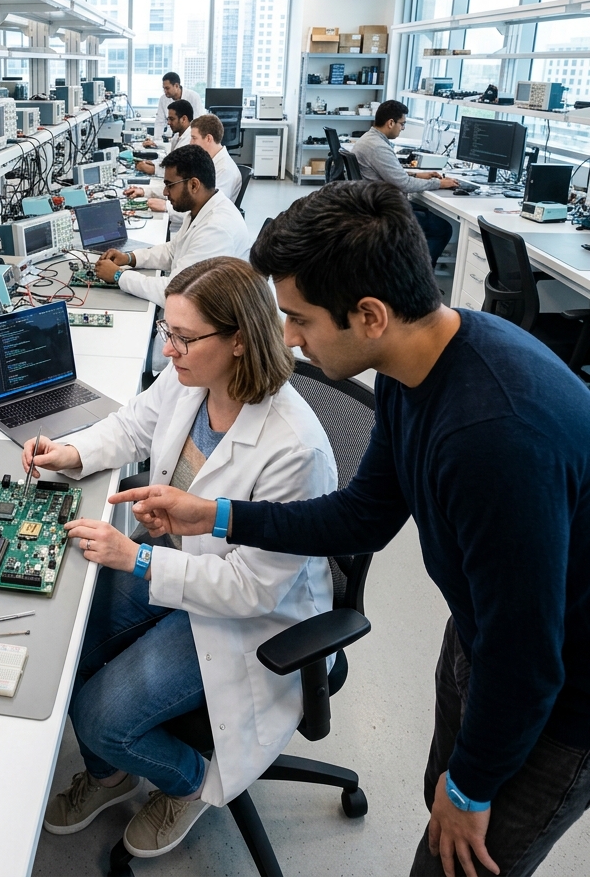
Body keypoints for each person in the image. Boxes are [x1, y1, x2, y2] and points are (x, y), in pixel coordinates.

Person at [112, 181, 590, 877]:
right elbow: (361, 514)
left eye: (300, 319)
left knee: (457, 858)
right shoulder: (415, 362)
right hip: (484, 633)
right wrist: (215, 513)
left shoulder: (495, 438)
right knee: (442, 810)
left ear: (368, 314)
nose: (289, 340)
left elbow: (528, 658)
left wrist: (472, 786)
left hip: (559, 692)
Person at [33, 256, 337, 859]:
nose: (167, 350)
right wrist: (67, 452)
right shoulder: (190, 377)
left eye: (183, 337)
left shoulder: (292, 448)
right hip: (181, 565)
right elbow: (131, 430)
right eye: (166, 333)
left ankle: (192, 783)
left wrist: (137, 560)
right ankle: (110, 774)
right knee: (66, 652)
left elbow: (253, 590)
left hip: (244, 618)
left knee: (99, 718)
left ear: (241, 341)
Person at [94, 144, 251, 307]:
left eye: (170, 185)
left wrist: (119, 276)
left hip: (212, 318)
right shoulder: (201, 209)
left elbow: (176, 292)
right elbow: (173, 250)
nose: (165, 193)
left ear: (194, 185)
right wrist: (130, 258)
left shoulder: (216, 229)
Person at [351, 99, 455, 267]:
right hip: (383, 210)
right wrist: (439, 184)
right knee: (442, 228)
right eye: (402, 124)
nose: (403, 128)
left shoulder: (371, 139)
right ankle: (418, 274)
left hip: (374, 202)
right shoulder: (377, 147)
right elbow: (404, 184)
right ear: (390, 123)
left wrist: (419, 175)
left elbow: (389, 173)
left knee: (427, 211)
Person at [188, 113, 242, 203]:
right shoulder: (208, 161)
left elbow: (208, 205)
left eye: (194, 138)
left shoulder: (224, 170)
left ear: (208, 138)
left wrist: (167, 207)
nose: (190, 143)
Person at [135, 99, 194, 177]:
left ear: (184, 119)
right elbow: (171, 161)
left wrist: (150, 169)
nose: (168, 123)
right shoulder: (177, 136)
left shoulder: (190, 139)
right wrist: (153, 163)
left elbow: (178, 171)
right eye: (168, 119)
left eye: (172, 119)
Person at [147, 72, 203, 148]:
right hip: (171, 138)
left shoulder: (193, 97)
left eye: (167, 88)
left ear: (176, 86)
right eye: (163, 88)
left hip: (188, 138)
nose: (165, 91)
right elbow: (159, 121)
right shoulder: (163, 99)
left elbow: (198, 122)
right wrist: (156, 142)